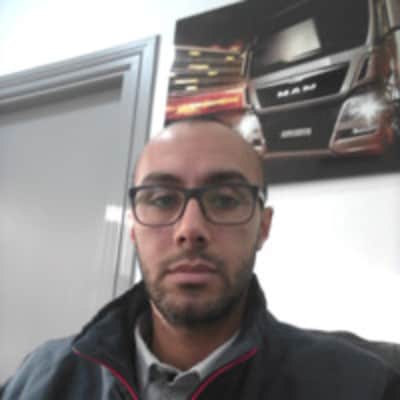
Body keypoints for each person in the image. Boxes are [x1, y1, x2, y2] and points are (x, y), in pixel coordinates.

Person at [1, 118, 400, 400]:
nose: (190, 229)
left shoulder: (359, 385)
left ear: (263, 227)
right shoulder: (41, 378)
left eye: (224, 200)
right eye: (162, 199)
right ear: (133, 227)